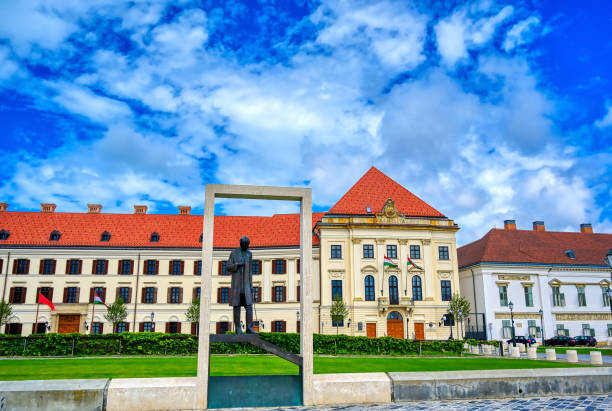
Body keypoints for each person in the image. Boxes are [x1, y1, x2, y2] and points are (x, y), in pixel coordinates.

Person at [227, 236, 257, 334]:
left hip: (247, 285)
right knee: (237, 306)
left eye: (247, 245)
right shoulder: (234, 253)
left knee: (249, 306)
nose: (246, 247)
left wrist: (251, 285)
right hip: (237, 284)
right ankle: (238, 328)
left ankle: (249, 327)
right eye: (244, 245)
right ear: (241, 244)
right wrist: (237, 265)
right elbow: (228, 266)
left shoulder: (249, 254)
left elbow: (250, 271)